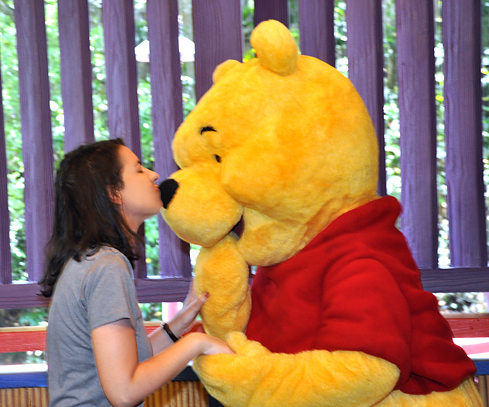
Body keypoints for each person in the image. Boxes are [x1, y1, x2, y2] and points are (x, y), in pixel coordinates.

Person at [39, 138, 233, 407]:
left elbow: (123, 362)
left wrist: (178, 327)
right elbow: (124, 392)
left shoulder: (92, 260)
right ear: (114, 193)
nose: (154, 175)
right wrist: (197, 343)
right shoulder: (106, 265)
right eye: (139, 169)